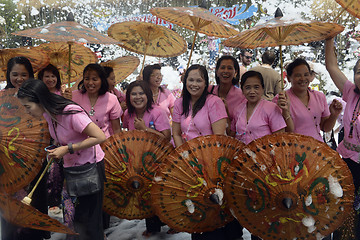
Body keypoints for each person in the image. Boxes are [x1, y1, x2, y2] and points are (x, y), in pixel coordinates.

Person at [17, 79, 106, 240]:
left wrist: (67, 148)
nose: (26, 111)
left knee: (89, 222)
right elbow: (62, 137)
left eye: (27, 106)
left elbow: (99, 136)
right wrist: (57, 147)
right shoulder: (49, 114)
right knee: (76, 219)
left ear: (39, 100)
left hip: (89, 169)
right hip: (72, 169)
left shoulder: (70, 112)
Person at [1, 56, 50, 240]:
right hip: (7, 162)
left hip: (33, 159)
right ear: (8, 75)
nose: (19, 79)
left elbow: (47, 125)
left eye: (24, 74)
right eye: (15, 74)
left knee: (33, 202)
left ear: (30, 76)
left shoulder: (38, 97)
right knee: (9, 209)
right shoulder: (1, 98)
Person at [325, 36, 360, 240]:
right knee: (344, 205)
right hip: (346, 160)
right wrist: (330, 38)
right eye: (358, 72)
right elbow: (331, 66)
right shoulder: (351, 92)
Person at [273, 58, 342, 142]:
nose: (303, 79)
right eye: (298, 75)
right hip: (293, 149)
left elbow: (325, 128)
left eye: (306, 75)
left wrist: (334, 115)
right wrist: (285, 112)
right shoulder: (281, 99)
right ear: (288, 78)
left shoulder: (319, 97)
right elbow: (281, 132)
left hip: (317, 148)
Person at [172, 64, 227, 147]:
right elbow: (176, 134)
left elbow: (219, 138)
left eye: (199, 81)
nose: (194, 84)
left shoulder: (215, 102)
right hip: (185, 155)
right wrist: (184, 155)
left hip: (210, 153)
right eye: (191, 80)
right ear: (185, 81)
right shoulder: (179, 103)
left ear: (205, 83)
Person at [230, 70, 286, 145]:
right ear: (242, 90)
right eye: (247, 88)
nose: (252, 91)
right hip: (241, 154)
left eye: (256, 87)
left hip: (265, 154)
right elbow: (232, 134)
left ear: (262, 89)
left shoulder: (272, 108)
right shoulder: (238, 109)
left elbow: (280, 137)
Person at [72, 64, 122, 138]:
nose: (90, 83)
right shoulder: (73, 96)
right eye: (87, 79)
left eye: (94, 79)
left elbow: (116, 130)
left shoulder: (112, 99)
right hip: (79, 146)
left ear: (102, 80)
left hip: (104, 145)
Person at [210, 55, 245, 129]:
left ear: (235, 72)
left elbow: (241, 125)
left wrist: (226, 111)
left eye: (229, 68)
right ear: (217, 71)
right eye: (222, 68)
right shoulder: (208, 91)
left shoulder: (241, 96)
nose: (225, 71)